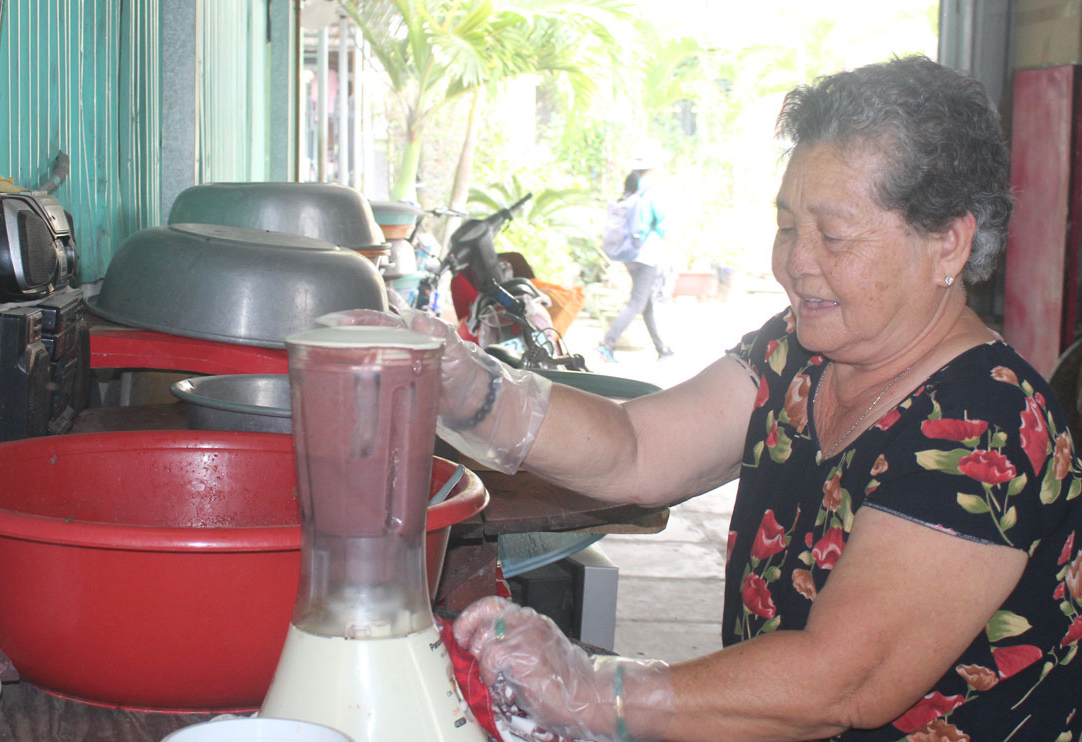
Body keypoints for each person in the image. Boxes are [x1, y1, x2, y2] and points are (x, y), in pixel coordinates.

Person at [329, 55, 1082, 740]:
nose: (796, 263)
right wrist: (475, 390)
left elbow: (840, 682)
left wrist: (601, 692)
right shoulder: (799, 352)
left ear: (949, 243)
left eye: (835, 235)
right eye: (788, 225)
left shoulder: (989, 425)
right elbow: (638, 449)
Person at [597, 158, 675, 363]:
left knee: (645, 302)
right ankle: (607, 343)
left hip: (630, 255)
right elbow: (663, 225)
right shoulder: (651, 194)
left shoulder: (631, 192)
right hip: (647, 256)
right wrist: (671, 252)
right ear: (648, 172)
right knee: (638, 302)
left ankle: (662, 348)